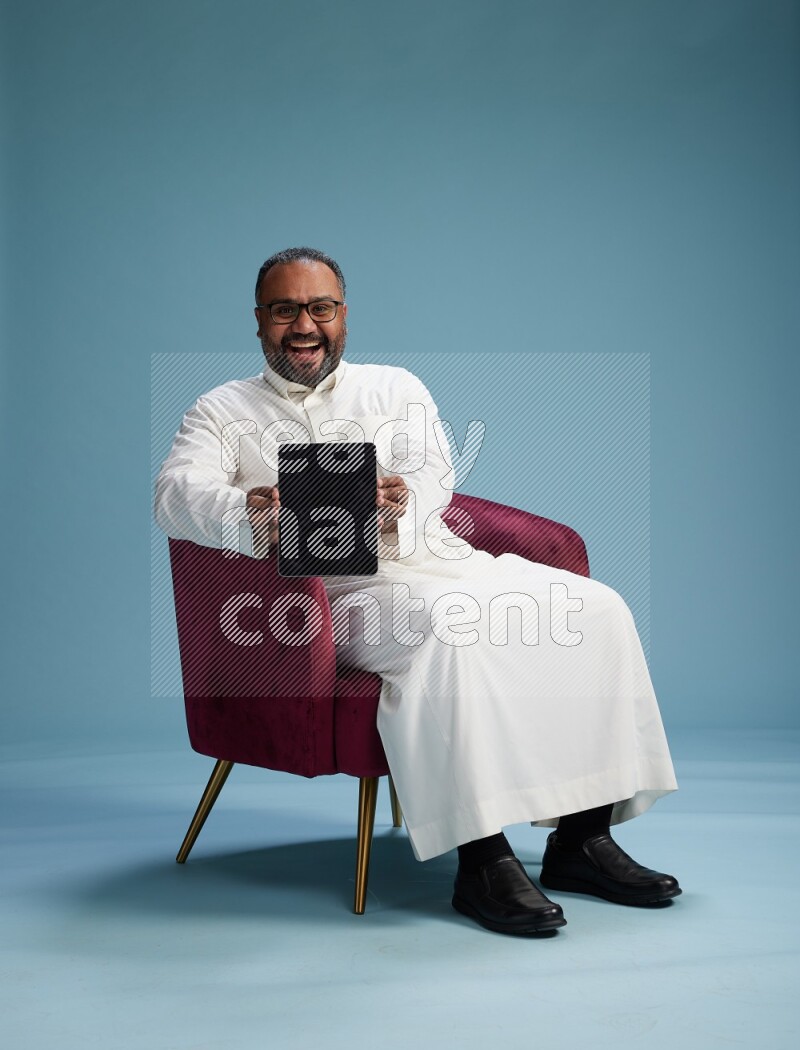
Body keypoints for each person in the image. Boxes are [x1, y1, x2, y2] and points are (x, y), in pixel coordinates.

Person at [155, 246, 681, 936]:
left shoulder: (395, 387)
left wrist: (405, 496)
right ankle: (481, 858)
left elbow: (434, 469)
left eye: (321, 308)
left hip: (434, 560)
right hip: (329, 595)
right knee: (448, 628)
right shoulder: (220, 409)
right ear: (259, 322)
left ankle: (582, 839)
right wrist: (252, 508)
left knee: (595, 609)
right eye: (286, 310)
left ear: (343, 316)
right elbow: (173, 495)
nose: (304, 325)